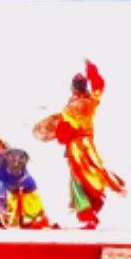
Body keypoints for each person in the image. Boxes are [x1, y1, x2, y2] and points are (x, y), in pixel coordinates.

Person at [36, 64, 123, 227]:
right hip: (89, 145)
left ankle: (88, 215)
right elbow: (99, 87)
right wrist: (92, 72)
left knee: (77, 181)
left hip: (76, 148)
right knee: (90, 175)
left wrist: (55, 130)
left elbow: (63, 131)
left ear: (73, 88)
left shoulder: (70, 109)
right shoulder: (91, 102)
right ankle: (91, 212)